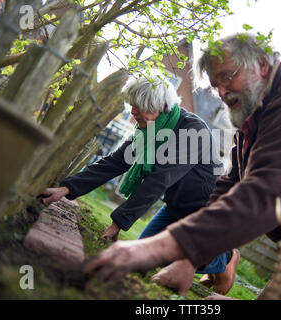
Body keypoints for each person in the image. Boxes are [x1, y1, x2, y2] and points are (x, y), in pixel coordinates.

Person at [82, 33, 281, 292]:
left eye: (227, 77)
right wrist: (189, 259)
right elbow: (231, 185)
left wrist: (158, 249)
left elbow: (265, 195)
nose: (221, 91)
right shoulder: (255, 117)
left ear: (262, 65)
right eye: (214, 85)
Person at [41, 72, 240, 295]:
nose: (133, 112)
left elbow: (159, 179)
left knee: (170, 254)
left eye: (139, 106)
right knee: (149, 256)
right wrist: (67, 188)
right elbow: (115, 162)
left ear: (162, 106)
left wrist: (117, 223)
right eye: (132, 105)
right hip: (175, 207)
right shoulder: (147, 130)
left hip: (205, 212)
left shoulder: (193, 132)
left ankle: (227, 258)